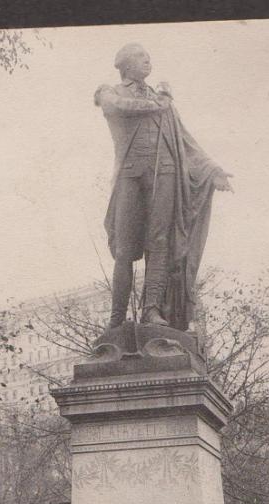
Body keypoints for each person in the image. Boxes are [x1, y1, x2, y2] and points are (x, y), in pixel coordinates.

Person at [95, 43, 233, 331]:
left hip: (165, 174)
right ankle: (117, 318)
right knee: (124, 249)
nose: (148, 62)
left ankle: (152, 311)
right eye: (142, 58)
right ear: (126, 64)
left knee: (159, 244)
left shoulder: (164, 103)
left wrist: (213, 170)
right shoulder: (110, 92)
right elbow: (119, 107)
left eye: (149, 58)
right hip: (130, 175)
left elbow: (186, 142)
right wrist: (162, 100)